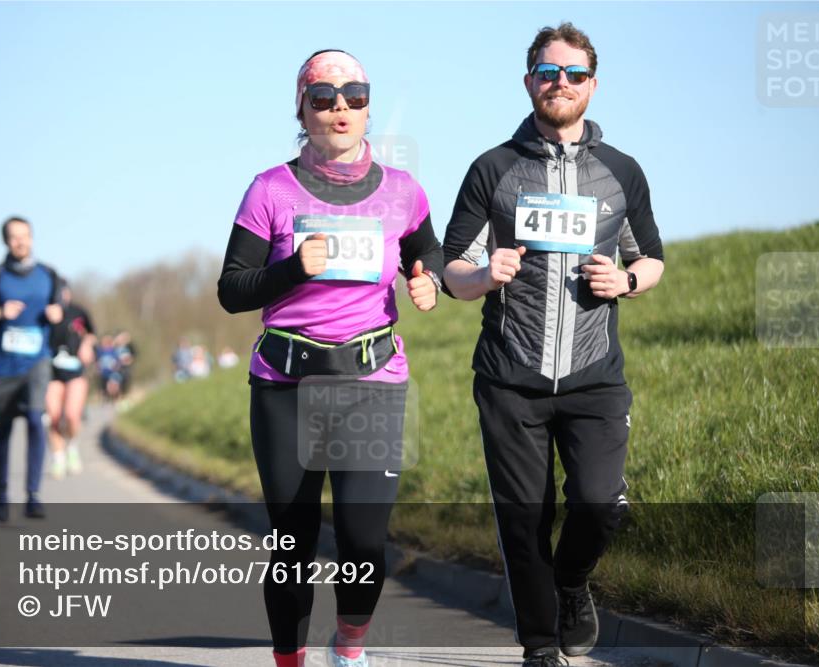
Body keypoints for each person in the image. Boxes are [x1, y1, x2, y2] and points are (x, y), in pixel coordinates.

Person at [441, 23, 665, 666]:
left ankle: (572, 584)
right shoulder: (494, 167)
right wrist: (484, 275)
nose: (558, 83)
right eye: (546, 72)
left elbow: (651, 259)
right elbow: (451, 265)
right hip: (511, 375)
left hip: (596, 374)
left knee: (598, 505)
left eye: (571, 73)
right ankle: (540, 645)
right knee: (522, 519)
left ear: (592, 84)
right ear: (528, 82)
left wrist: (624, 280)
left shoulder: (622, 171)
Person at [218, 49, 442, 667]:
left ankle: (349, 647)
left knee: (365, 541)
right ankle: (288, 660)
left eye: (355, 95)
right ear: (302, 108)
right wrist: (292, 269)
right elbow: (231, 288)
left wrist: (430, 280)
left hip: (371, 380)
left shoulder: (402, 191)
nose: (340, 107)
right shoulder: (270, 189)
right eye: (324, 97)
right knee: (292, 542)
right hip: (286, 385)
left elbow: (430, 254)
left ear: (367, 106)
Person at [0, 216, 64, 521]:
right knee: (4, 427)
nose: (20, 241)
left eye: (25, 236)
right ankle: (2, 491)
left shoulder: (49, 275)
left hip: (37, 361)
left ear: (32, 238)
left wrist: (56, 312)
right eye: (14, 237)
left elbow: (61, 307)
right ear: (6, 241)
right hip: (1, 365)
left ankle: (33, 494)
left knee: (37, 419)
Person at [45, 281, 96, 478]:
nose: (61, 296)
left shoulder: (79, 312)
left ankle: (72, 447)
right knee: (55, 416)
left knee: (72, 415)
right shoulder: (45, 313)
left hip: (75, 371)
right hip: (51, 372)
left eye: (63, 292)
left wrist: (87, 346)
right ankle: (58, 458)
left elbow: (92, 334)